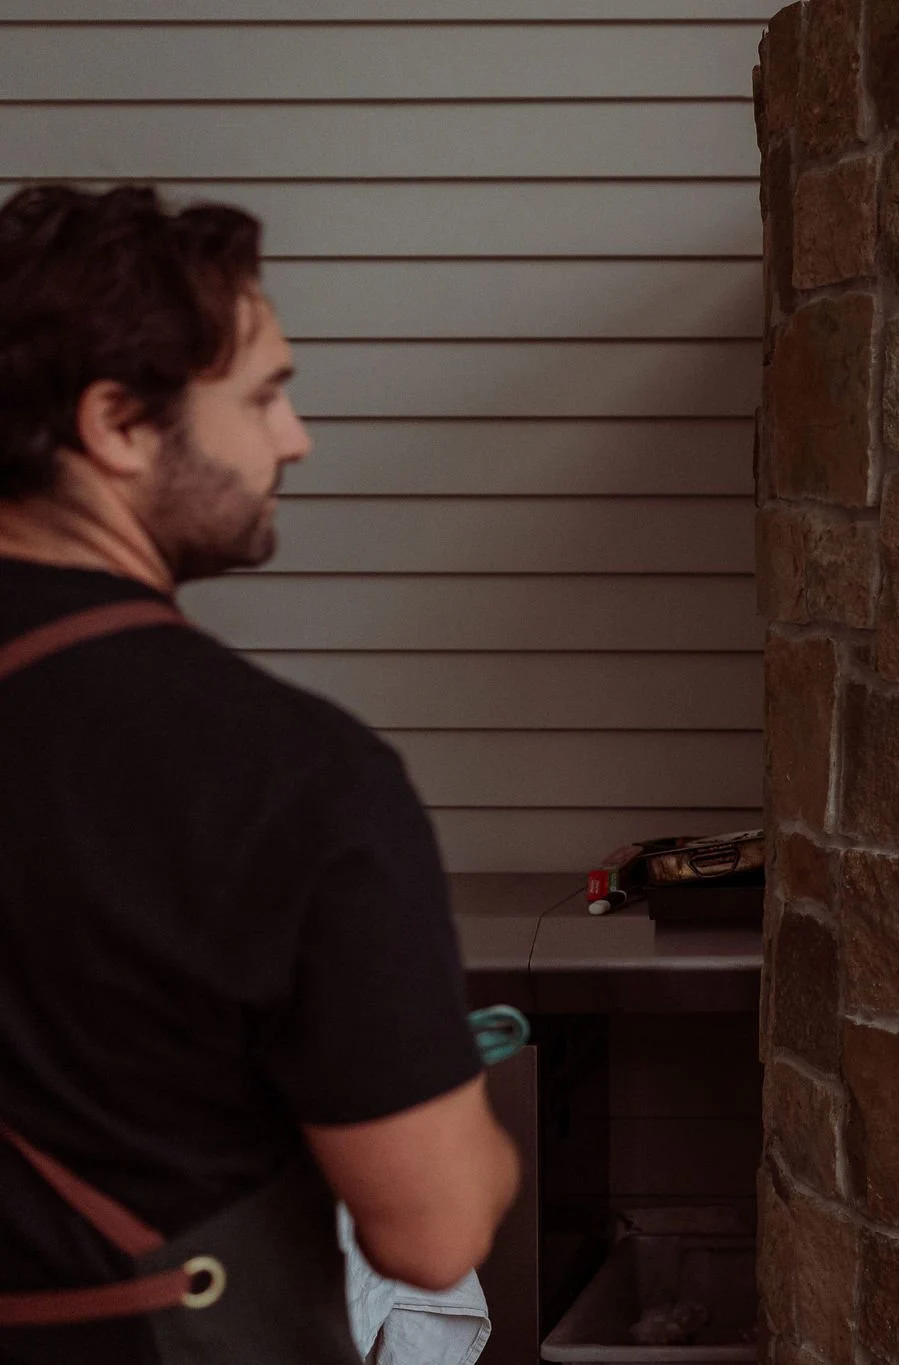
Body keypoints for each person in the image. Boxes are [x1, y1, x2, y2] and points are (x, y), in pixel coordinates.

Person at [0, 185, 519, 1363]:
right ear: (118, 423)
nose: (295, 438)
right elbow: (433, 1231)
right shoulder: (289, 775)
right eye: (266, 395)